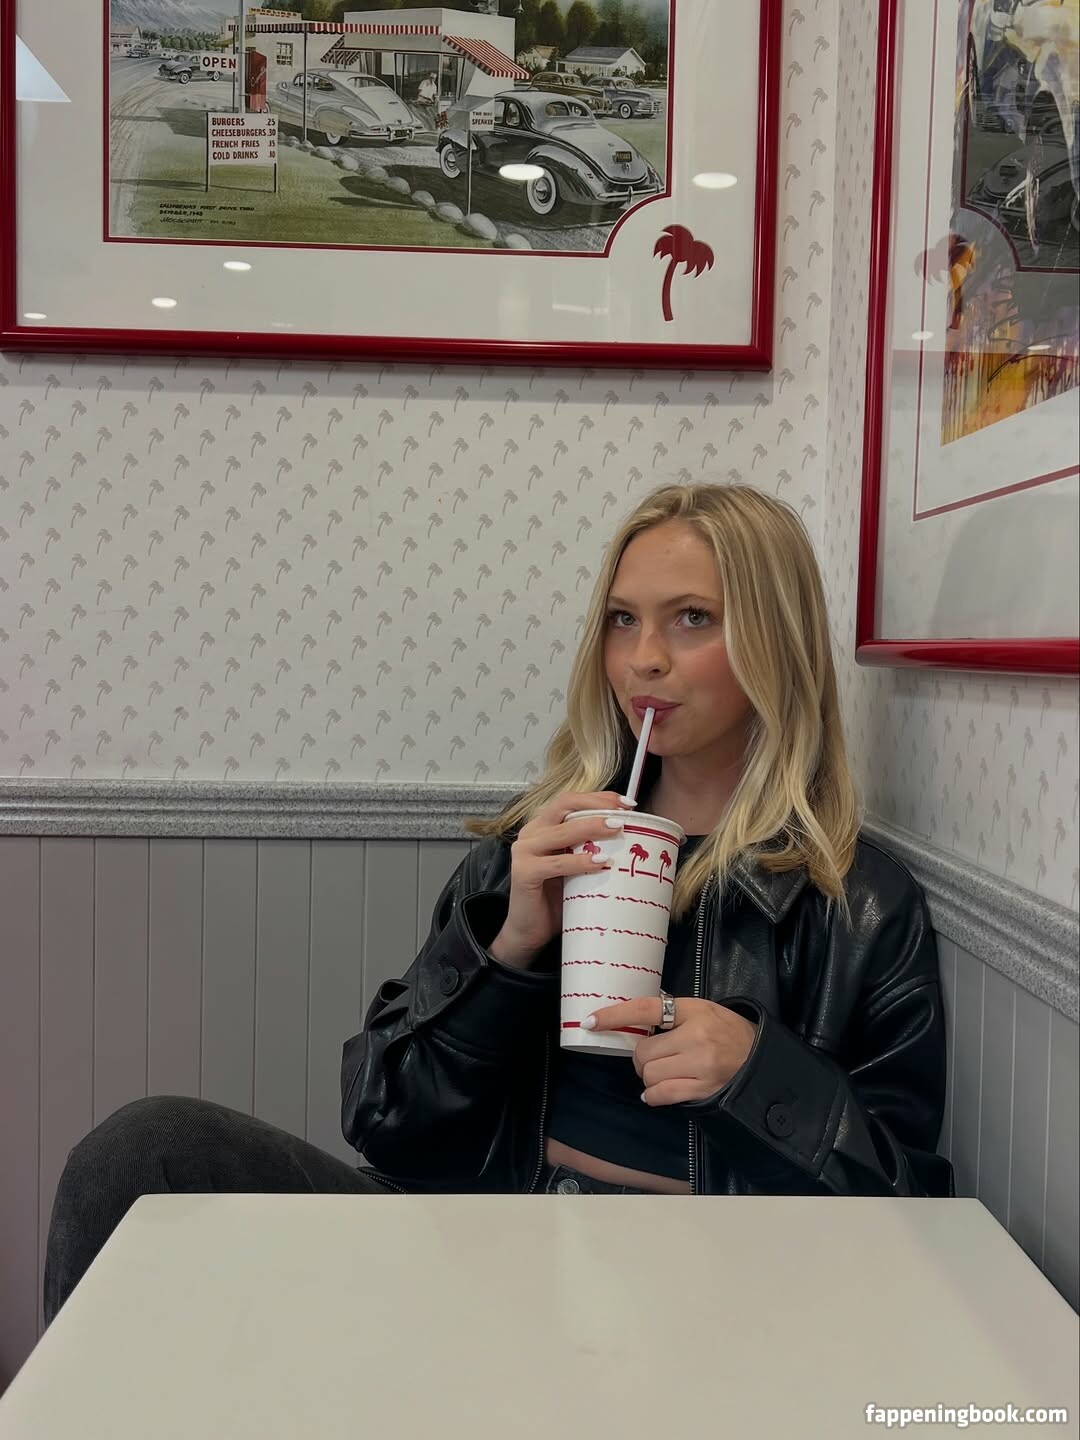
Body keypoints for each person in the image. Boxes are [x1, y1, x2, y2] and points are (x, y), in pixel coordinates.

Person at [43, 483, 952, 1326]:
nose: (643, 658)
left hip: (694, 1300)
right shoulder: (533, 853)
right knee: (144, 1151)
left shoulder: (859, 907)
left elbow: (912, 1220)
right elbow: (385, 1125)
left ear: (774, 639)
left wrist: (760, 1078)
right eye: (622, 620)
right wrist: (504, 951)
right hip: (478, 1247)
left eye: (692, 619)